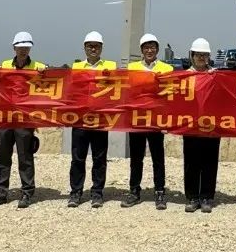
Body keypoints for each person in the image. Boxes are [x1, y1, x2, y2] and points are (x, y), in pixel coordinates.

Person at [0, 31, 46, 209]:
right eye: (20, 47)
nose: (23, 50)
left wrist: (44, 73)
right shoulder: (4, 65)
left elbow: (48, 85)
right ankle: (0, 192)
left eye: (26, 47)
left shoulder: (38, 67)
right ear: (14, 48)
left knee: (25, 155)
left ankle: (27, 192)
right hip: (5, 117)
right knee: (3, 155)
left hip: (25, 118)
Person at [122, 33, 173, 210]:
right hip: (137, 119)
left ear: (157, 49)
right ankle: (134, 190)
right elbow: (126, 91)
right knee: (136, 158)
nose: (149, 50)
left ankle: (159, 191)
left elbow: (170, 94)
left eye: (152, 47)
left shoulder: (166, 68)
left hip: (156, 120)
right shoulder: (132, 68)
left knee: (158, 158)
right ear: (141, 50)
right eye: (146, 47)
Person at [67, 31, 116, 208]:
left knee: (99, 158)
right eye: (90, 46)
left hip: (100, 120)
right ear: (85, 48)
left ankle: (97, 193)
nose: (93, 49)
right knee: (77, 158)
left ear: (101, 48)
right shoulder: (77, 67)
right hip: (80, 120)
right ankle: (76, 192)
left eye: (96, 46)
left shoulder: (111, 66)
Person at [182, 38, 220, 213]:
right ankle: (192, 197)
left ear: (209, 57)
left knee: (209, 162)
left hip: (211, 126)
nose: (201, 58)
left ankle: (206, 197)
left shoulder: (215, 77)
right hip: (191, 126)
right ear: (192, 55)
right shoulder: (184, 77)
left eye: (204, 55)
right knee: (191, 162)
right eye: (198, 54)